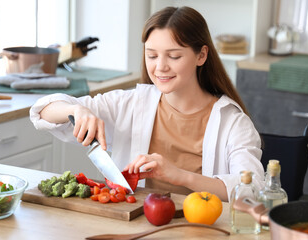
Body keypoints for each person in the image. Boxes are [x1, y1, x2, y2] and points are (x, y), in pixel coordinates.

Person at [29, 6, 264, 202]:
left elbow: (252, 190)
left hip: (202, 227)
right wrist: (76, 110)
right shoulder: (131, 103)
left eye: (174, 56)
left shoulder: (233, 122)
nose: (160, 67)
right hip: (134, 221)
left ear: (201, 56)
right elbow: (43, 110)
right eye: (152, 55)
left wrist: (179, 176)